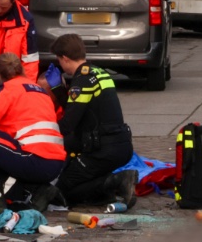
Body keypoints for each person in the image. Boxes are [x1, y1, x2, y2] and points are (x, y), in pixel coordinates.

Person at [0, 53, 66, 212]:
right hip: (54, 163)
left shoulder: (7, 89)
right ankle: (38, 191)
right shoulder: (39, 90)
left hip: (33, 159)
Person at [50, 34, 137, 208]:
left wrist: (42, 132)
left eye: (59, 60)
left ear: (65, 59)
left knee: (62, 190)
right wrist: (60, 91)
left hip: (103, 150)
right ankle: (107, 191)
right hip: (119, 144)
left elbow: (68, 125)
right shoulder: (98, 72)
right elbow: (84, 109)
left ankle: (117, 181)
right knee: (79, 177)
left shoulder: (82, 81)